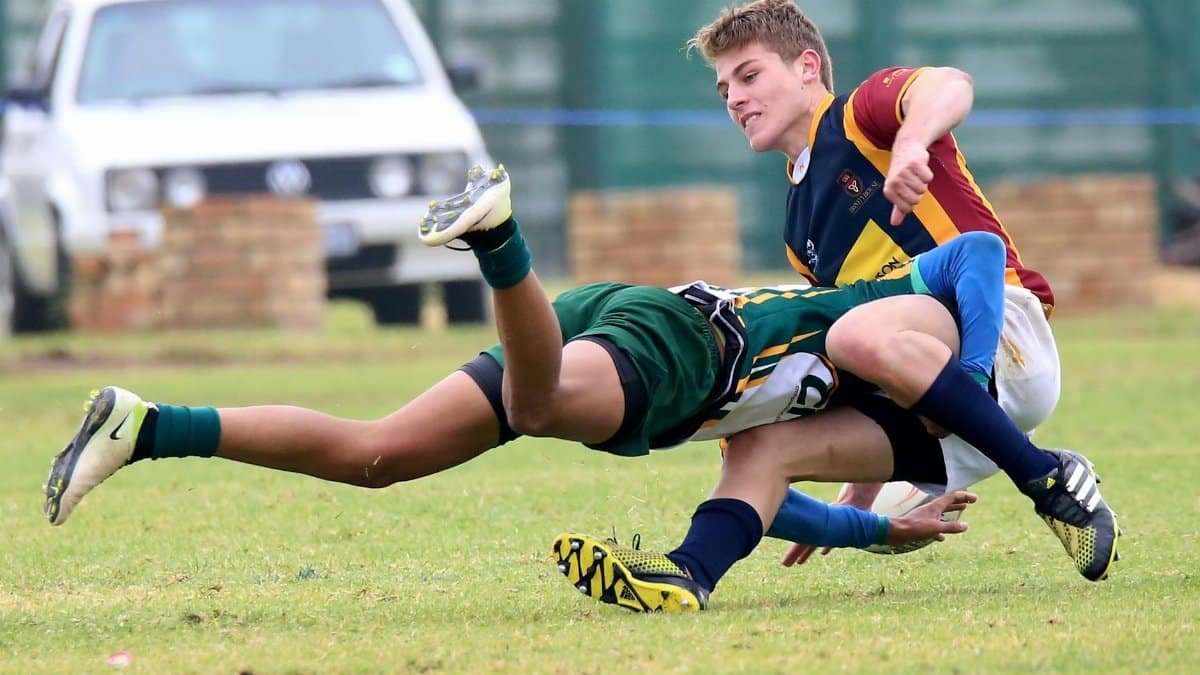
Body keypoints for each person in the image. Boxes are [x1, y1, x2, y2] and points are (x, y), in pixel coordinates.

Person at [42, 166, 975, 598]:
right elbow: (969, 258)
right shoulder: (868, 345)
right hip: (677, 337)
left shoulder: (829, 405)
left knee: (379, 454)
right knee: (535, 407)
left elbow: (757, 493)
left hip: (613, 318)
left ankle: (147, 424)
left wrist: (872, 527)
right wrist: (899, 488)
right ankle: (498, 239)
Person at [676, 0, 1119, 580]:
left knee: (848, 332)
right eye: (724, 88)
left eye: (750, 75)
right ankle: (684, 577)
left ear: (807, 66)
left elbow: (951, 85)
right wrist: (860, 505)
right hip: (947, 416)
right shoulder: (796, 231)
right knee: (751, 444)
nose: (734, 97)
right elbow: (871, 361)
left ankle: (1040, 478)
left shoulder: (861, 117)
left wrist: (911, 142)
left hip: (1003, 344)